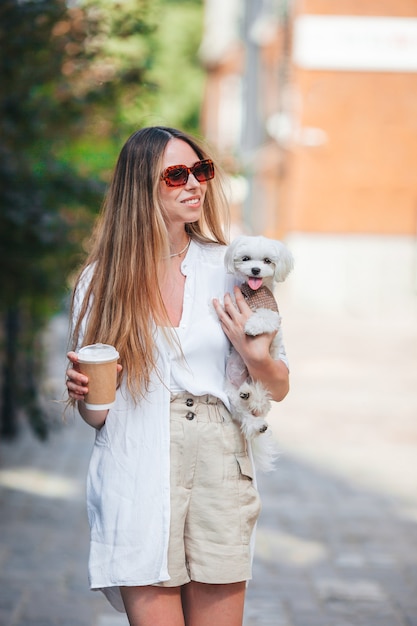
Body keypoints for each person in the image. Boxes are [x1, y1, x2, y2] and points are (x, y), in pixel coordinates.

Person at [66, 126, 289, 626]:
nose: (195, 184)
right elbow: (98, 416)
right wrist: (86, 395)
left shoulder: (235, 270)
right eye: (176, 175)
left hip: (219, 456)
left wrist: (255, 355)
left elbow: (277, 386)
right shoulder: (99, 283)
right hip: (137, 455)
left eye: (202, 171)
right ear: (140, 186)